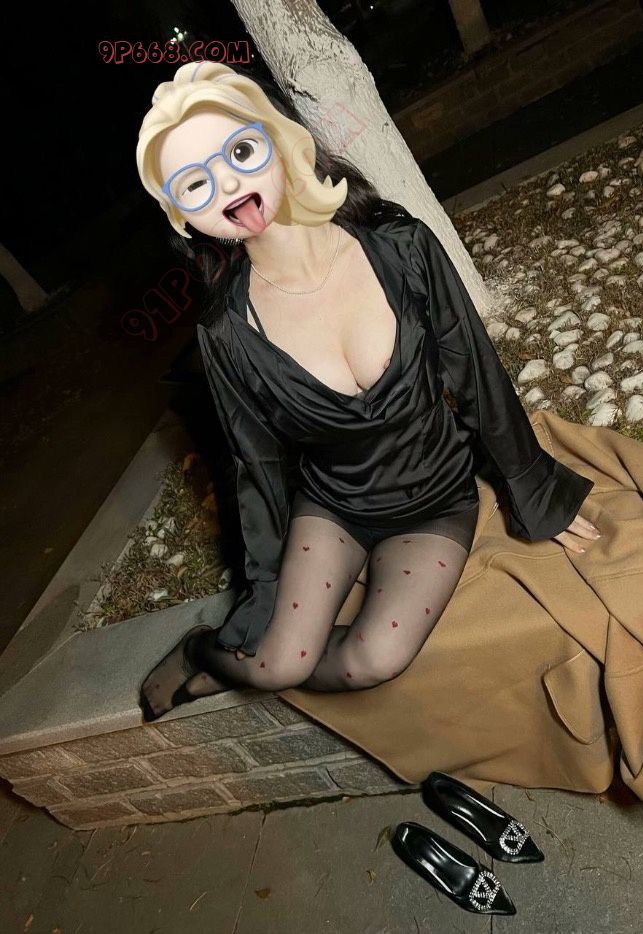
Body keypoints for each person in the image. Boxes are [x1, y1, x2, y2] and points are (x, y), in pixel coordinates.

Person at [135, 61, 599, 722]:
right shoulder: (226, 331)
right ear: (181, 216)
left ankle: (226, 673)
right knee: (277, 663)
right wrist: (259, 604)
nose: (228, 183)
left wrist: (536, 491)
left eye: (238, 151)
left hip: (435, 497)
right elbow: (255, 466)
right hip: (335, 503)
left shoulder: (400, 246)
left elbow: (477, 373)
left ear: (282, 141)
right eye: (194, 182)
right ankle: (202, 652)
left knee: (372, 660)